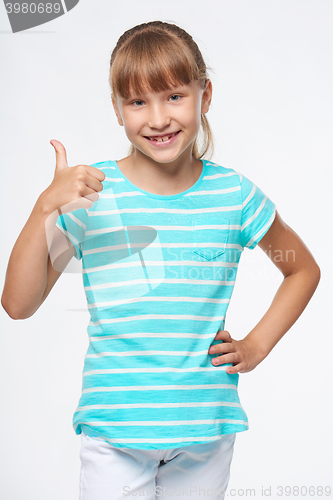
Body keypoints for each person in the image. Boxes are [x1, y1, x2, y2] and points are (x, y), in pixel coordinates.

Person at [1, 20, 320, 500]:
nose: (157, 118)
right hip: (114, 428)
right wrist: (45, 206)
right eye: (137, 102)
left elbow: (302, 268)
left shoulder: (233, 194)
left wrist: (255, 346)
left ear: (204, 95)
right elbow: (18, 304)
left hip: (205, 428)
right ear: (117, 109)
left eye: (174, 96)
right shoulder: (90, 195)